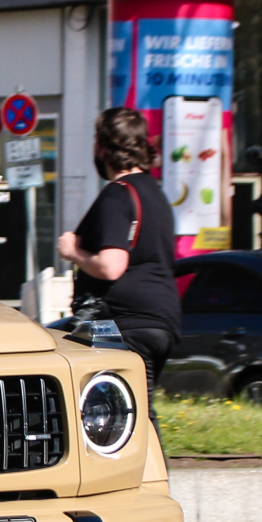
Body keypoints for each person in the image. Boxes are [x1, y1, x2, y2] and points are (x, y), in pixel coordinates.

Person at [56, 105, 181, 404]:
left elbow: (111, 266)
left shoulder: (117, 193)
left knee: (114, 413)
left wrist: (73, 251)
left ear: (102, 147)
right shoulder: (155, 192)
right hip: (161, 320)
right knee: (132, 412)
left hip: (124, 324)